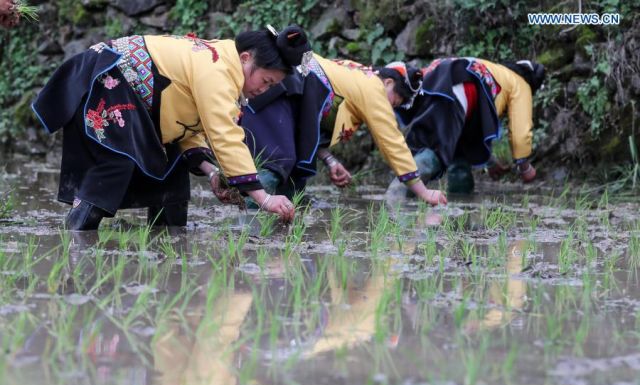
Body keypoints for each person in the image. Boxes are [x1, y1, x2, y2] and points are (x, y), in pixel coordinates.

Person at [32, 25, 311, 230]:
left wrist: (212, 171)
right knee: (117, 161)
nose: (263, 90)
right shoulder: (217, 67)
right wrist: (262, 197)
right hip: (111, 84)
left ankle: (168, 246)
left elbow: (188, 126)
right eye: (265, 80)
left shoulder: (220, 65)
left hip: (146, 106)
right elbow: (224, 134)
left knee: (173, 173)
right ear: (246, 58)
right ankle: (76, 236)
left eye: (271, 86)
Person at [241, 57, 447, 206]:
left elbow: (310, 125)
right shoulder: (372, 87)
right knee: (279, 161)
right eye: (396, 101)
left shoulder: (353, 75)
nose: (391, 108)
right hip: (284, 89)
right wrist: (423, 191)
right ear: (388, 82)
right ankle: (244, 220)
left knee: (294, 179)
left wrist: (331, 161)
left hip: (286, 93)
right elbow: (392, 142)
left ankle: (273, 224)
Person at [389, 57, 545, 195]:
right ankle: (398, 193)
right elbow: (521, 132)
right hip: (463, 86)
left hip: (434, 79)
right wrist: (525, 167)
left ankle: (459, 202)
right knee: (437, 147)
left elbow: (472, 135)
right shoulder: (520, 83)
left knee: (459, 152)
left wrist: (489, 162)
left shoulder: (496, 71)